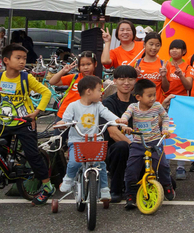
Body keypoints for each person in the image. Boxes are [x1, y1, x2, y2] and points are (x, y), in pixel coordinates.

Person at [0, 43, 54, 204]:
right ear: (6, 60)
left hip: (25, 122)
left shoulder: (26, 77)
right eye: (18, 58)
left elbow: (46, 92)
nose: (22, 61)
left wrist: (37, 112)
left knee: (32, 155)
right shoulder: (0, 78)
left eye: (24, 58)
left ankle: (47, 187)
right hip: (4, 122)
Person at [58, 75, 119, 204]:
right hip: (77, 141)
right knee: (74, 162)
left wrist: (118, 120)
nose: (101, 93)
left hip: (95, 141)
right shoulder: (73, 106)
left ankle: (103, 188)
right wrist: (63, 123)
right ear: (88, 91)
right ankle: (68, 178)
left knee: (101, 164)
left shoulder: (98, 105)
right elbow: (66, 120)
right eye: (99, 90)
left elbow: (107, 114)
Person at [119, 78, 173, 209]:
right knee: (131, 170)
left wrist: (165, 128)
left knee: (163, 165)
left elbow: (165, 117)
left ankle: (167, 185)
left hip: (155, 141)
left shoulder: (157, 106)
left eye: (154, 95)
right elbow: (125, 116)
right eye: (149, 96)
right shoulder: (133, 107)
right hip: (138, 143)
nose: (153, 98)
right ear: (138, 97)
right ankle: (130, 195)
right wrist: (123, 124)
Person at [102, 65, 137, 202]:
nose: (126, 83)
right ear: (115, 81)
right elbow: (113, 133)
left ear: (135, 81)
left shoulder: (138, 102)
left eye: (130, 79)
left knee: (171, 184)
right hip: (113, 149)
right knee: (122, 146)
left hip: (136, 145)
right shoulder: (108, 103)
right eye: (122, 79)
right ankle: (116, 189)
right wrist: (133, 146)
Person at [162, 38, 191, 180]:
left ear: (184, 51)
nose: (174, 50)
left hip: (181, 104)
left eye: (177, 48)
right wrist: (163, 75)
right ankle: (165, 165)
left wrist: (181, 75)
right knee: (165, 133)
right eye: (171, 48)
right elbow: (165, 87)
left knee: (180, 135)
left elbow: (189, 87)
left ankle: (181, 166)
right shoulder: (165, 65)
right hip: (167, 102)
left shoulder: (187, 67)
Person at [50, 51, 100, 118]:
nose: (85, 67)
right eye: (82, 65)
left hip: (83, 116)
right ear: (78, 66)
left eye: (88, 64)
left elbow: (98, 100)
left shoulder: (97, 82)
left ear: (95, 64)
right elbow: (52, 82)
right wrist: (63, 71)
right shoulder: (74, 77)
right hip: (64, 113)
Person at [132, 33, 170, 104]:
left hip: (158, 105)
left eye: (157, 45)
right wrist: (135, 76)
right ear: (144, 45)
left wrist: (164, 76)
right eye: (151, 44)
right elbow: (131, 88)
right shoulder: (136, 64)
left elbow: (166, 89)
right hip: (140, 106)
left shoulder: (163, 65)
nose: (154, 48)